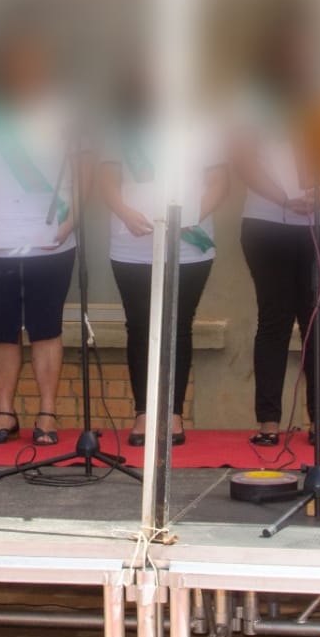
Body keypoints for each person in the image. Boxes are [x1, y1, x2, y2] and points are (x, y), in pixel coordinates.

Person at [0, 32, 83, 448]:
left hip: (51, 239)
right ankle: (5, 413)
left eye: (32, 63)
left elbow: (86, 169)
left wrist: (74, 217)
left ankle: (47, 413)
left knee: (46, 328)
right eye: (16, 64)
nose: (24, 71)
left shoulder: (66, 113)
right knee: (3, 331)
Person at [231, 21, 320, 448]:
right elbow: (242, 159)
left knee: (319, 323)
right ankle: (268, 421)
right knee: (274, 322)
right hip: (268, 225)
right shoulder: (251, 102)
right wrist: (283, 196)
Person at [98, 74, 226, 447]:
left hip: (188, 244)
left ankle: (172, 413)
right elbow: (107, 180)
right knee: (139, 326)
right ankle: (144, 412)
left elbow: (219, 182)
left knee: (178, 326)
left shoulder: (203, 126)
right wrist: (124, 212)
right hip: (133, 244)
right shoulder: (118, 128)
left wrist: (192, 216)